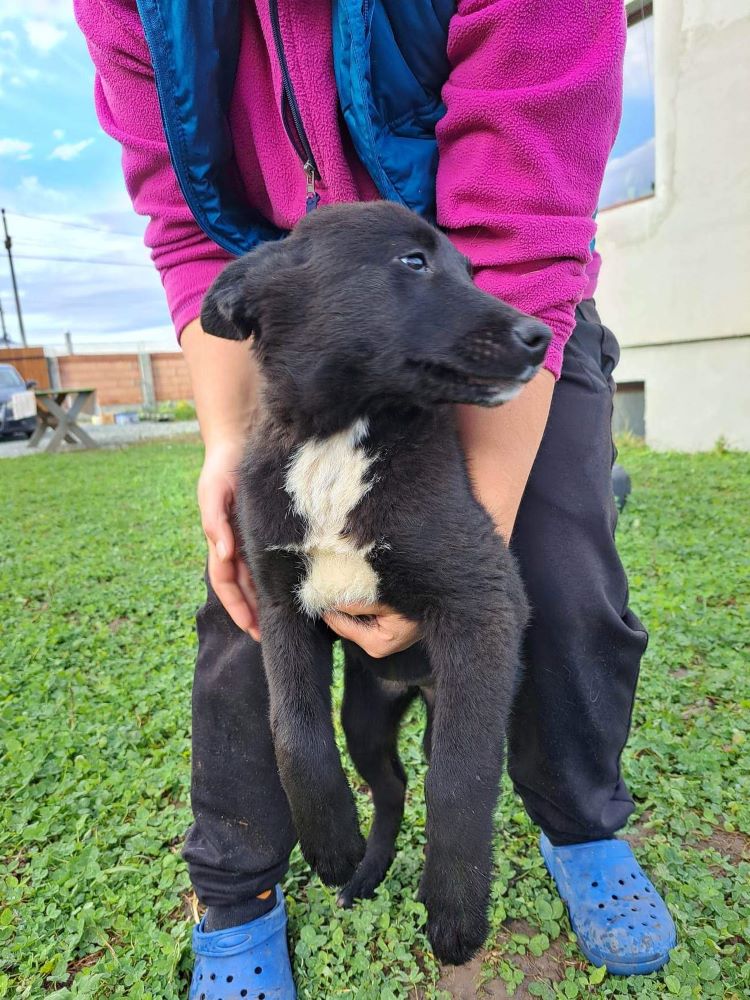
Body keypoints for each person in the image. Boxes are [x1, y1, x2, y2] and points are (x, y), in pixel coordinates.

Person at [75, 1, 677, 994]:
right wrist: (229, 440)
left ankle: (580, 819)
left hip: (498, 297)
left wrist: (457, 544)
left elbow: (522, 221)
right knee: (241, 602)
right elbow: (188, 227)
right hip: (312, 310)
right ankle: (236, 887)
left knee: (562, 559)